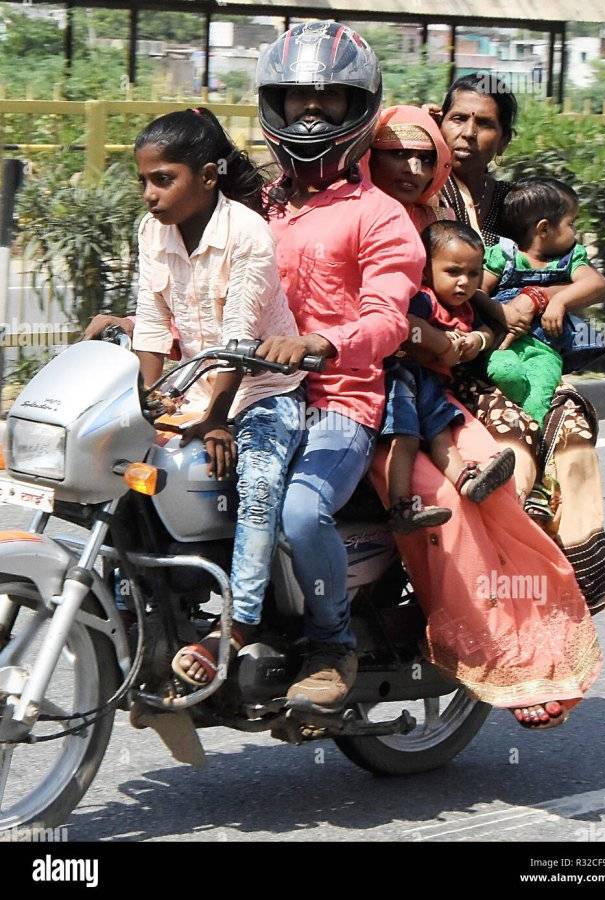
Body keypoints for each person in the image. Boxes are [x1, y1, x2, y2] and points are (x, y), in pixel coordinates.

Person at [367, 106, 603, 730]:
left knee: (522, 469)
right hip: (368, 378)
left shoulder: (477, 207)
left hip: (458, 371)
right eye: (397, 155)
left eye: (487, 123)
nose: (412, 167)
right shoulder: (344, 206)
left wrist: (508, 314)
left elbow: (489, 293)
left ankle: (525, 645)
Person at [253, 21, 426, 708]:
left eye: (329, 101)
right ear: (276, 105)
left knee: (299, 511)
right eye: (298, 100)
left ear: (359, 111)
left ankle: (333, 646)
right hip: (256, 393)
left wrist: (323, 343)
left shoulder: (380, 216)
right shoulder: (255, 206)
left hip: (339, 399)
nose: (312, 114)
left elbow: (387, 317)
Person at [114, 107, 310, 687]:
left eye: (163, 179)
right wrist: (150, 405)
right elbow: (151, 324)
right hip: (193, 386)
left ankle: (241, 622)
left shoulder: (247, 233)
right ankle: (135, 601)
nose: (150, 195)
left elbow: (240, 342)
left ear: (207, 176)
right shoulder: (153, 230)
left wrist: (219, 420)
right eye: (144, 180)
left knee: (257, 483)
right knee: (123, 464)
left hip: (260, 389)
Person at [431, 73, 605, 613]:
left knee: (571, 423)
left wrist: (543, 302)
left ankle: (565, 577)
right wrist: (495, 312)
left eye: (485, 123)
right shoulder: (419, 188)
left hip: (512, 353)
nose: (468, 132)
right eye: (458, 118)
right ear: (439, 120)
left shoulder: (512, 205)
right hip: (447, 358)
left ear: (505, 138)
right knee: (513, 438)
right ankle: (507, 569)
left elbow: (563, 272)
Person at [380, 220, 515, 532]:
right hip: (402, 376)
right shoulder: (424, 299)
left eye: (473, 273)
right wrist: (437, 341)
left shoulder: (467, 309)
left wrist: (476, 341)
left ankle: (466, 481)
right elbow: (403, 322)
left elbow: (489, 329)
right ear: (427, 270)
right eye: (453, 272)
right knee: (406, 438)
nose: (464, 282)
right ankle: (401, 506)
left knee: (442, 433)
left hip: (433, 382)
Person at [484, 177, 605, 428]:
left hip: (547, 350)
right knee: (502, 371)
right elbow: (477, 292)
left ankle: (534, 439)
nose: (574, 231)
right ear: (543, 229)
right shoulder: (503, 255)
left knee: (539, 396)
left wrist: (559, 299)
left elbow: (597, 284)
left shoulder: (570, 258)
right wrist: (501, 312)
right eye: (571, 223)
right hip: (505, 345)